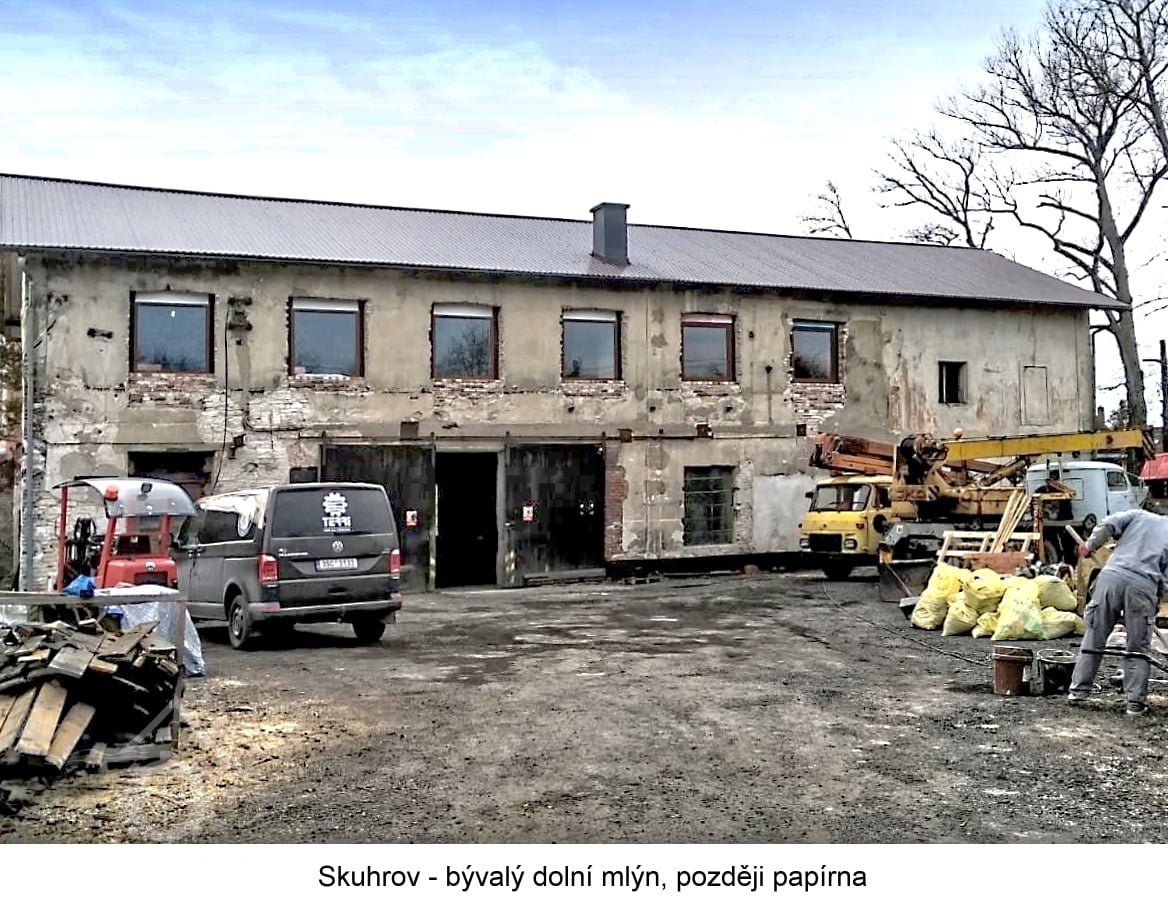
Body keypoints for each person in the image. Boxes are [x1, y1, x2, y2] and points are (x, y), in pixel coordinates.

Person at [1068, 509, 1168, 715]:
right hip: (1143, 587)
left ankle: (1078, 692)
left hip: (1110, 579)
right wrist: (1154, 602)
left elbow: (1108, 525)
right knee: (1138, 646)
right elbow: (1165, 580)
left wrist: (1090, 545)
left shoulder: (1138, 515)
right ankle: (1135, 703)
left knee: (1094, 635)